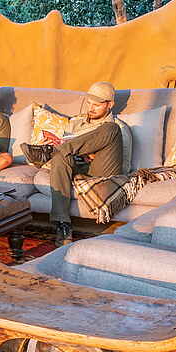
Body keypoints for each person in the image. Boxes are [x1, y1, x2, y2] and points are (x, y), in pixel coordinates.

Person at [40, 81, 124, 244]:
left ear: (110, 105)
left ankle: (54, 151)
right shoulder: (75, 123)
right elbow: (64, 158)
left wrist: (95, 153)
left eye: (96, 105)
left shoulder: (118, 127)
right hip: (76, 166)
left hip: (101, 169)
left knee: (110, 129)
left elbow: (122, 163)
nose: (91, 108)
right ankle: (63, 224)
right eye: (89, 103)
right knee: (60, 157)